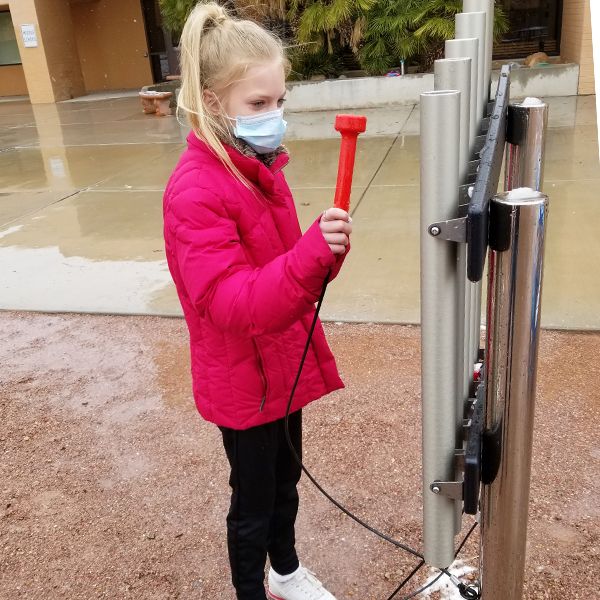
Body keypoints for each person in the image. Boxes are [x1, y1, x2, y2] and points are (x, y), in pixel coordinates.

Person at [163, 3, 352, 599]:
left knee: (287, 481)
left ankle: (287, 572)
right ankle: (252, 590)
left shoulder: (261, 169)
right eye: (259, 104)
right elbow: (230, 300)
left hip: (282, 360)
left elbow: (287, 274)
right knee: (253, 501)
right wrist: (306, 259)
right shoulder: (195, 189)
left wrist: (323, 250)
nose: (275, 116)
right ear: (215, 103)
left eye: (280, 102)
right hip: (244, 377)